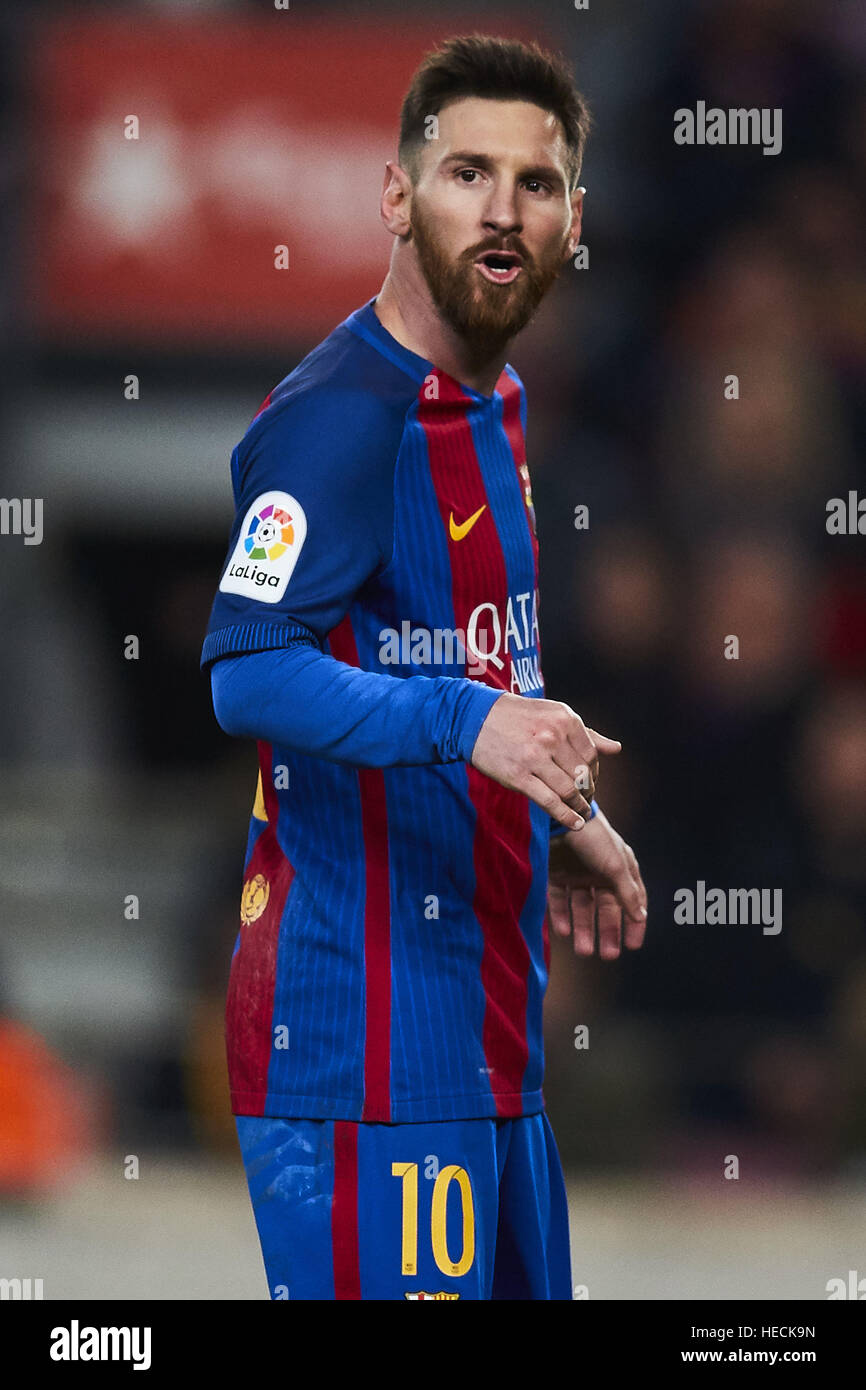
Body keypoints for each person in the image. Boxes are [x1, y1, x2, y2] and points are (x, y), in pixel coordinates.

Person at [201, 33, 648, 1301]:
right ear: (396, 198)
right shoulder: (339, 414)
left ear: (572, 221)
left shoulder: (497, 405)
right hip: (355, 1054)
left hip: (485, 1045)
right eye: (465, 174)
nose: (502, 213)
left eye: (537, 183)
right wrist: (470, 725)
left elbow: (463, 662)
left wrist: (553, 813)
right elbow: (245, 669)